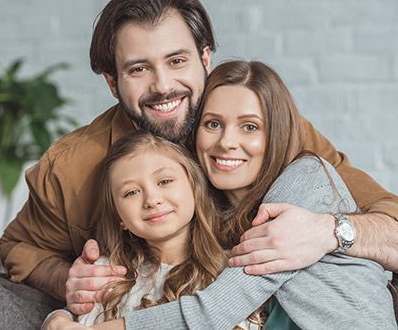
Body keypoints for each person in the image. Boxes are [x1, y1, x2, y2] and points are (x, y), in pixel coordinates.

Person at [0, 0, 398, 315]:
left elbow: (391, 226)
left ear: (205, 58)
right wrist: (67, 280)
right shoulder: (72, 166)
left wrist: (329, 230)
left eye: (177, 61)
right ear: (112, 81)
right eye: (139, 68)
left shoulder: (268, 130)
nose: (162, 86)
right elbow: (19, 247)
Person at [44, 61, 396, 329]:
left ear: (277, 134)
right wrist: (61, 312)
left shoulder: (305, 181)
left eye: (250, 126)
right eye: (213, 124)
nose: (227, 141)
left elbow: (214, 311)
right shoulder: (215, 210)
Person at [43, 131, 264, 329]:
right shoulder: (108, 275)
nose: (151, 199)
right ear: (119, 218)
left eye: (165, 181)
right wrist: (58, 318)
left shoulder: (231, 269)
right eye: (131, 192)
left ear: (195, 188)